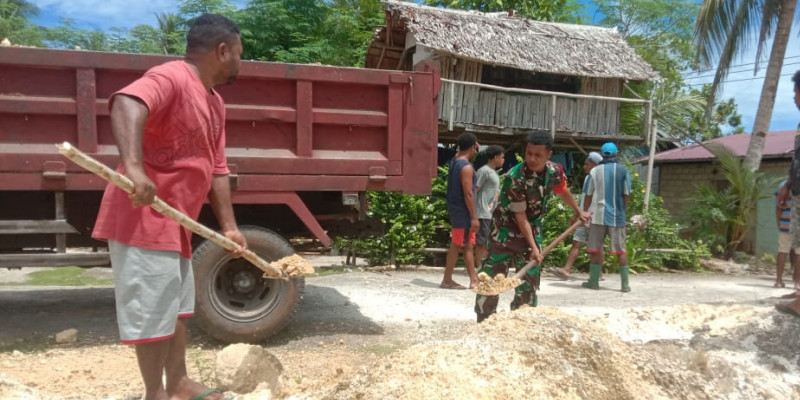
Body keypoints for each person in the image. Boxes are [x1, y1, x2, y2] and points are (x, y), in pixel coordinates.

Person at [91, 14, 244, 400]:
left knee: (175, 311)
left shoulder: (215, 102)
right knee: (154, 314)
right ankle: (154, 393)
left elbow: (218, 170)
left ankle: (178, 384)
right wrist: (137, 169)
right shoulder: (173, 75)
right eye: (239, 53)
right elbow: (127, 101)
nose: (241, 61)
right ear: (222, 51)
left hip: (177, 223)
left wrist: (228, 226)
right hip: (142, 218)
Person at [474, 132, 590, 322]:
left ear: (548, 155)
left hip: (532, 229)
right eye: (529, 153)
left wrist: (578, 211)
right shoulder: (515, 177)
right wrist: (535, 248)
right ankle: (484, 322)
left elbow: (562, 190)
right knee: (492, 279)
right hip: (503, 232)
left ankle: (523, 322)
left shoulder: (554, 172)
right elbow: (520, 217)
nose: (532, 159)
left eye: (538, 155)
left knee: (529, 279)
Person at [581, 142, 631, 292]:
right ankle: (625, 285)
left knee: (595, 249)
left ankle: (594, 282)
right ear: (616, 154)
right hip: (617, 216)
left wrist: (584, 212)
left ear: (602, 155)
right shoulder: (623, 170)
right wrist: (623, 210)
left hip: (597, 216)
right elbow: (626, 194)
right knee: (620, 251)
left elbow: (588, 195)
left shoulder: (595, 171)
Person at [552, 151, 603, 280]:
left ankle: (599, 273)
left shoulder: (599, 178)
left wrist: (584, 213)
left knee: (595, 246)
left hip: (593, 216)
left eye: (587, 164)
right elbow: (584, 197)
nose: (584, 167)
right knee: (577, 242)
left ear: (594, 164)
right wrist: (577, 214)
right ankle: (567, 269)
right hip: (584, 216)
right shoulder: (588, 178)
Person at [441, 133, 481, 290]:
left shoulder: (455, 161)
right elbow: (468, 193)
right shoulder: (466, 167)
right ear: (472, 147)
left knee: (464, 244)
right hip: (463, 211)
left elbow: (460, 151)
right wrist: (474, 217)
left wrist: (471, 144)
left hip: (456, 209)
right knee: (459, 244)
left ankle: (473, 279)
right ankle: (448, 279)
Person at [776, 70, 800, 315]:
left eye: (796, 91)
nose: (794, 96)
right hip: (797, 189)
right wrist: (787, 186)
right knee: (797, 242)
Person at [474, 145, 505, 266]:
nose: (504, 160)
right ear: (496, 157)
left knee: (486, 241)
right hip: (482, 212)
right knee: (481, 242)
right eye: (502, 157)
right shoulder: (484, 171)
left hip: (490, 212)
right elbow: (475, 189)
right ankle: (479, 268)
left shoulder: (493, 172)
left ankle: (483, 267)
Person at [774, 179, 798, 289]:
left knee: (782, 250)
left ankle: (779, 281)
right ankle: (797, 283)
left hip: (785, 223)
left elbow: (778, 206)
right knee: (798, 253)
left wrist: (779, 221)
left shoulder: (782, 185)